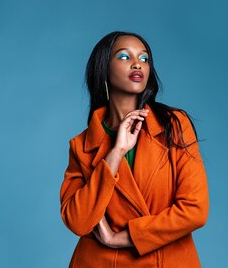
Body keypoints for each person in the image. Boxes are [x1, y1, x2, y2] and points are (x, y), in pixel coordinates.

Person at [59, 31, 209, 268]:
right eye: (124, 57)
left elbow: (195, 209)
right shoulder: (82, 146)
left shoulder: (173, 125)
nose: (137, 63)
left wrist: (121, 238)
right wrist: (116, 152)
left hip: (167, 261)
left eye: (144, 58)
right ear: (104, 69)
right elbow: (78, 221)